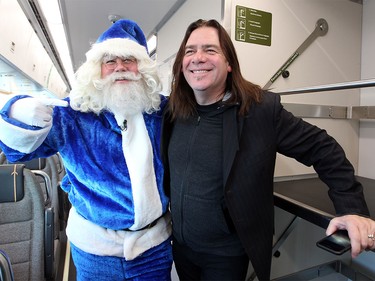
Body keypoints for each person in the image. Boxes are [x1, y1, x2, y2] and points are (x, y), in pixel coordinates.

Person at [161, 19, 375, 281]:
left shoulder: (259, 111)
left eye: (210, 50)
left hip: (225, 255)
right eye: (190, 51)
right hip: (182, 248)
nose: (198, 58)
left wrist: (352, 209)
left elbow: (323, 148)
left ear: (229, 64)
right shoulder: (173, 112)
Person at [0, 19, 172, 280]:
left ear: (142, 68)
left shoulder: (162, 111)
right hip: (95, 252)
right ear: (97, 70)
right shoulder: (74, 113)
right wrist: (17, 111)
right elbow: (18, 152)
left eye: (129, 60)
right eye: (110, 62)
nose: (120, 68)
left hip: (153, 248)